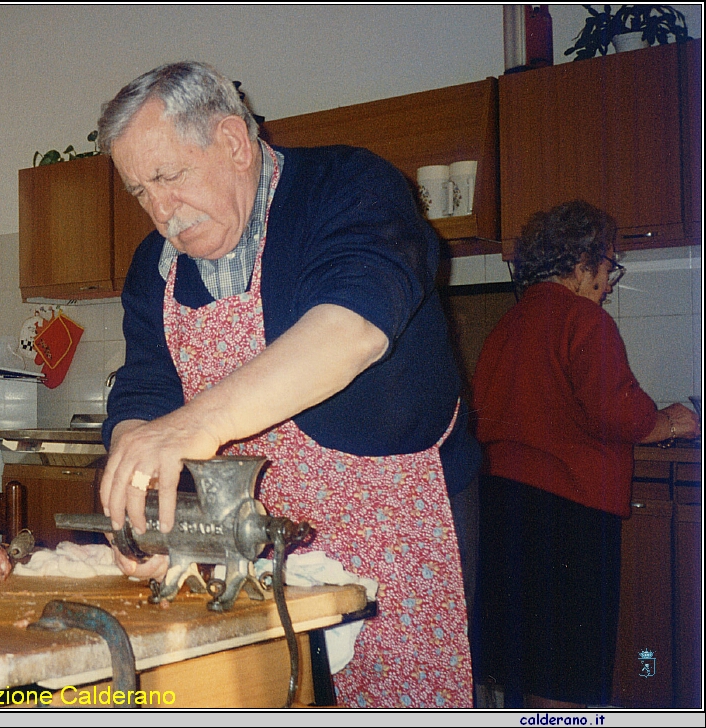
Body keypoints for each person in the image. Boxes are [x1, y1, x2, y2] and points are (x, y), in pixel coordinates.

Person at [98, 61, 479, 708]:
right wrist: (148, 510)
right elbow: (145, 392)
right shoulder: (154, 266)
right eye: (140, 191)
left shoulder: (348, 185)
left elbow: (351, 326)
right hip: (253, 541)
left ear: (233, 142)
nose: (160, 211)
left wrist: (195, 427)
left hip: (395, 525)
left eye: (168, 177)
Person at [471, 200, 699, 708]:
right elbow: (620, 416)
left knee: (518, 661)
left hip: (504, 507)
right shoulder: (583, 319)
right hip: (569, 513)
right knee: (572, 668)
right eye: (607, 267)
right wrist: (672, 421)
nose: (610, 282)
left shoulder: (506, 326)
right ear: (580, 266)